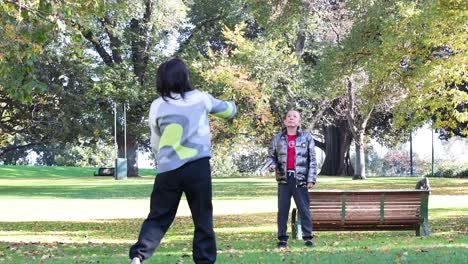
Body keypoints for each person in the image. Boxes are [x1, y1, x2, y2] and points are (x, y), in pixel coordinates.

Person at [129, 58, 237, 264]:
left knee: (159, 216)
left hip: (168, 169)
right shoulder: (201, 98)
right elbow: (228, 111)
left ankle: (138, 255)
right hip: (198, 167)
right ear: (184, 77)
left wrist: (161, 161)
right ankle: (204, 260)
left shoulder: (157, 105)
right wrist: (233, 103)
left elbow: (155, 140)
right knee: (202, 216)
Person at [266, 110, 317, 248]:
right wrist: (272, 165)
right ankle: (282, 239)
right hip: (284, 179)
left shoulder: (307, 138)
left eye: (294, 117)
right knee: (282, 211)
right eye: (289, 116)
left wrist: (311, 178)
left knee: (304, 209)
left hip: (300, 179)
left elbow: (312, 160)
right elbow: (271, 157)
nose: (291, 118)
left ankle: (308, 237)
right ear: (284, 121)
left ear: (299, 122)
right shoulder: (278, 138)